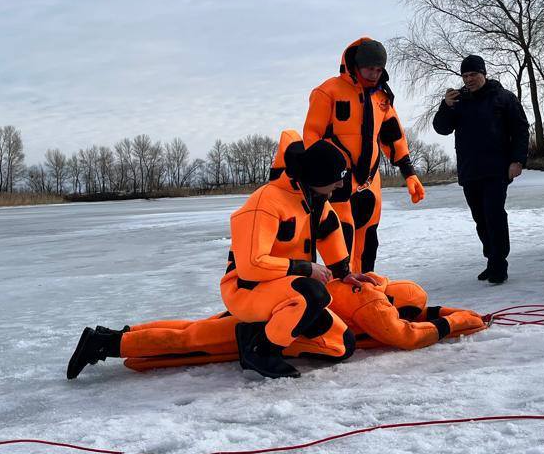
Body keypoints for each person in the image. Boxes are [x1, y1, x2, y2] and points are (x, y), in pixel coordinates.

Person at [68, 132, 375, 380]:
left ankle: (255, 336)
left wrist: (344, 271)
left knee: (341, 346)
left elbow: (330, 232)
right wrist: (304, 268)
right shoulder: (266, 202)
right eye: (336, 178)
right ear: (317, 176)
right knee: (197, 338)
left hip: (287, 297)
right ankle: (260, 349)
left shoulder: (315, 200)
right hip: (248, 290)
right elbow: (252, 266)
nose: (339, 184)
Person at [65, 273, 486, 377]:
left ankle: (123, 333)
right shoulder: (376, 309)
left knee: (196, 329)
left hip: (273, 307)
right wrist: (462, 323)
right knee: (195, 339)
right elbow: (406, 335)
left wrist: (451, 313)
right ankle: (107, 343)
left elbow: (418, 314)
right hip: (274, 328)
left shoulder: (367, 284)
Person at [304, 37, 425, 274]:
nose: (374, 74)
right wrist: (322, 178)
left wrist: (409, 173)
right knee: (341, 236)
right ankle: (340, 288)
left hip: (370, 181)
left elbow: (393, 137)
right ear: (357, 65)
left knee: (369, 239)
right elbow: (312, 135)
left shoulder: (381, 97)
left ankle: (366, 288)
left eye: (379, 69)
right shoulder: (328, 91)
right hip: (338, 180)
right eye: (370, 68)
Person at [432, 53, 530, 284]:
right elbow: (441, 128)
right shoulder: (457, 101)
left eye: (473, 74)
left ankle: (499, 264)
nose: (469, 79)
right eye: (465, 75)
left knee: (494, 215)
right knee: (480, 219)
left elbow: (521, 130)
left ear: (483, 74)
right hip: (470, 170)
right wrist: (445, 107)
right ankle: (491, 259)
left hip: (497, 169)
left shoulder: (503, 98)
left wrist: (517, 161)